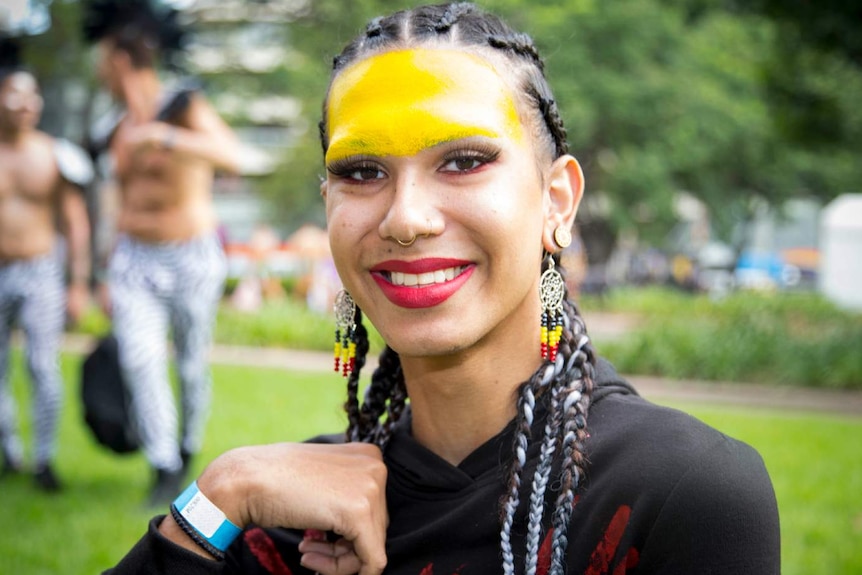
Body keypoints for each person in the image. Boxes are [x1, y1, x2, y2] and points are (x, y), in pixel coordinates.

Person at [103, 3, 780, 574]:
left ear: (558, 202)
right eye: (363, 171)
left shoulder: (686, 494)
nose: (404, 218)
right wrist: (217, 498)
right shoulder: (285, 514)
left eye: (463, 160)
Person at [81, 0, 240, 506]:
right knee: (141, 360)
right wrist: (104, 270)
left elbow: (233, 155)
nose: (98, 69)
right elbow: (113, 198)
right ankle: (164, 465)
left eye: (102, 58)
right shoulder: (111, 127)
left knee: (191, 365)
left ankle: (188, 449)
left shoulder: (183, 104)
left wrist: (167, 137)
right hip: (133, 259)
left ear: (121, 59)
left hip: (190, 253)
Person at [0, 38, 92, 492]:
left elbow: (76, 221)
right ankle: (9, 451)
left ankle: (44, 460)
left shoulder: (55, 154)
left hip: (40, 269)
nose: (25, 104)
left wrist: (78, 283)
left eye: (31, 95)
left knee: (43, 366)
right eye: (14, 95)